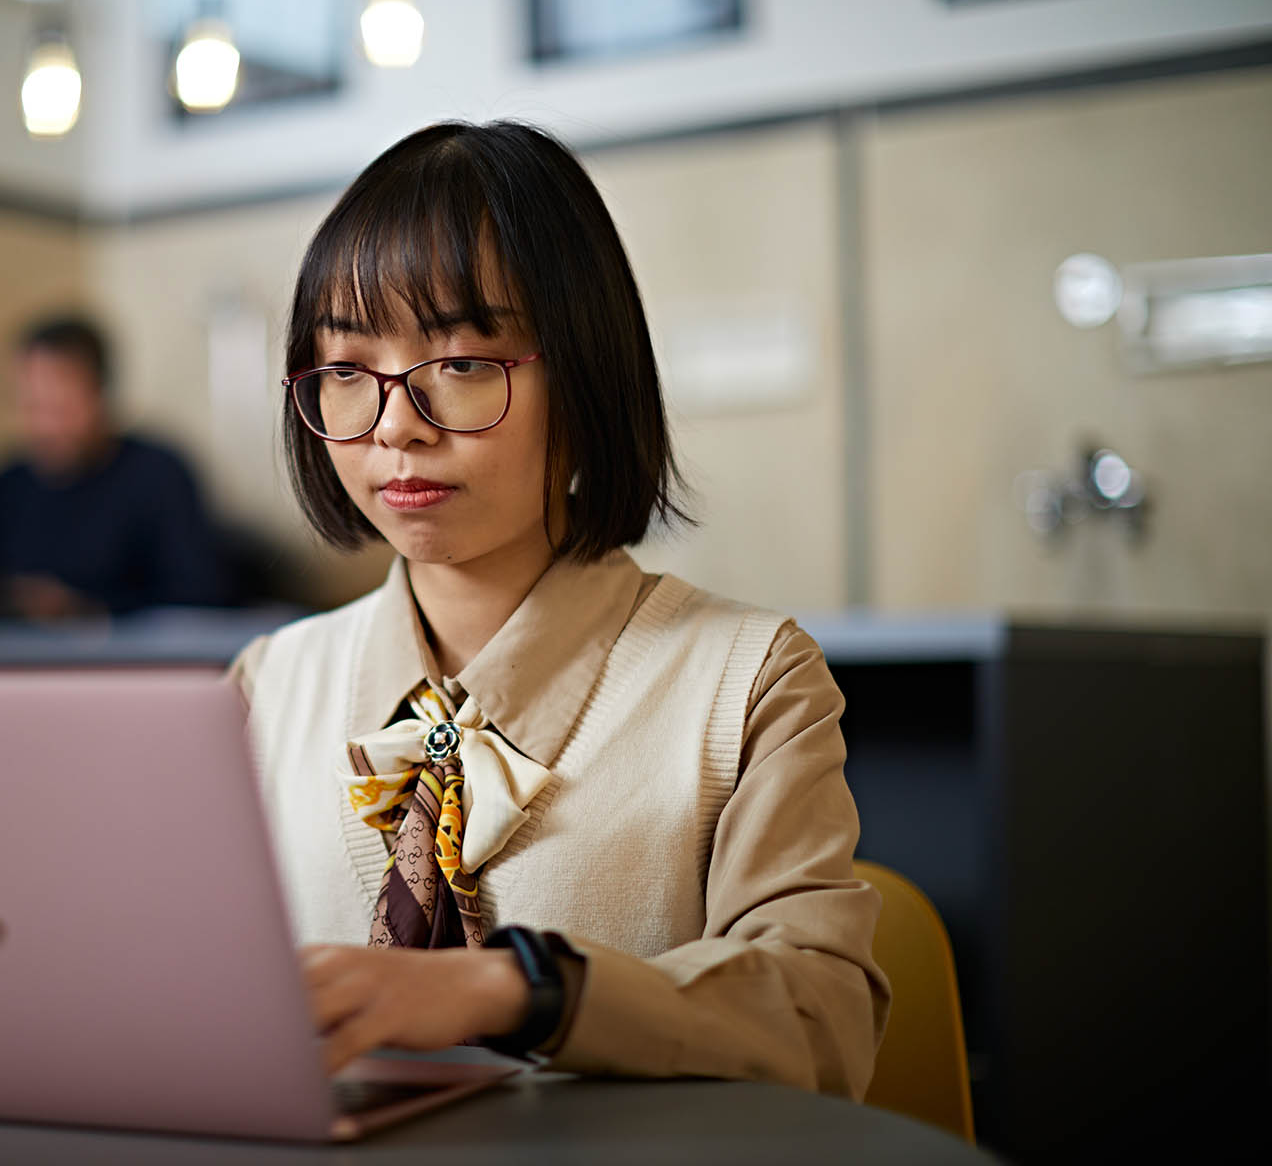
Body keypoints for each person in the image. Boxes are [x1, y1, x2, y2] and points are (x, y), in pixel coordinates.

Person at [228, 121, 890, 1096]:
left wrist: (520, 993)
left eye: (459, 362)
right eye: (347, 372)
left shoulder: (748, 682)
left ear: (582, 377)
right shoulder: (266, 688)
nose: (396, 425)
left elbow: (819, 1018)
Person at [0, 316, 230, 618]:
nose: (45, 426)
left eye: (61, 407)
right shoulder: (6, 485)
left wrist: (90, 611)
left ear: (101, 395)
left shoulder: (159, 476)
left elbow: (199, 598)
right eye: (31, 406)